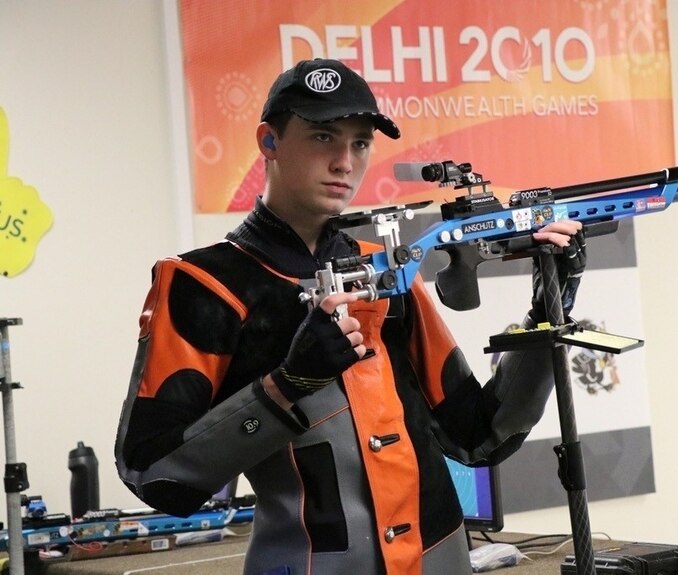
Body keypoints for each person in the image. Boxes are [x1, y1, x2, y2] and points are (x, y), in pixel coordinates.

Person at [115, 58, 586, 575]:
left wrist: (550, 305)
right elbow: (154, 474)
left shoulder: (388, 271)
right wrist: (287, 385)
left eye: (360, 143)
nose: (345, 161)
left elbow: (478, 434)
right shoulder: (203, 285)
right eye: (322, 137)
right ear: (268, 141)